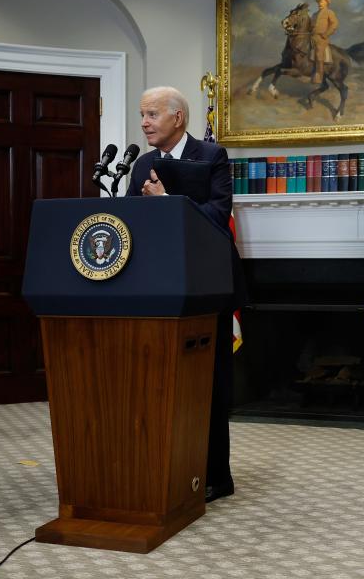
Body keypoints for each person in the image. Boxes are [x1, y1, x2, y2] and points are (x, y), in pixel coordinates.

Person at [126, 86, 244, 502]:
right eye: (142, 115)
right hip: (160, 288)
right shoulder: (140, 166)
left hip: (208, 285)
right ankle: (170, 468)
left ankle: (216, 477)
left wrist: (170, 202)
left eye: (152, 114)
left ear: (178, 118)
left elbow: (217, 216)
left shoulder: (212, 157)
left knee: (208, 386)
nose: (144, 123)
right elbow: (130, 225)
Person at [311, 0, 338, 83]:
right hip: (312, 36)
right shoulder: (314, 15)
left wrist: (326, 34)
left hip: (322, 38)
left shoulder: (329, 12)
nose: (319, 3)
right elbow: (310, 26)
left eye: (322, 2)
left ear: (327, 2)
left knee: (319, 54)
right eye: (318, 2)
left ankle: (319, 75)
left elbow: (334, 24)